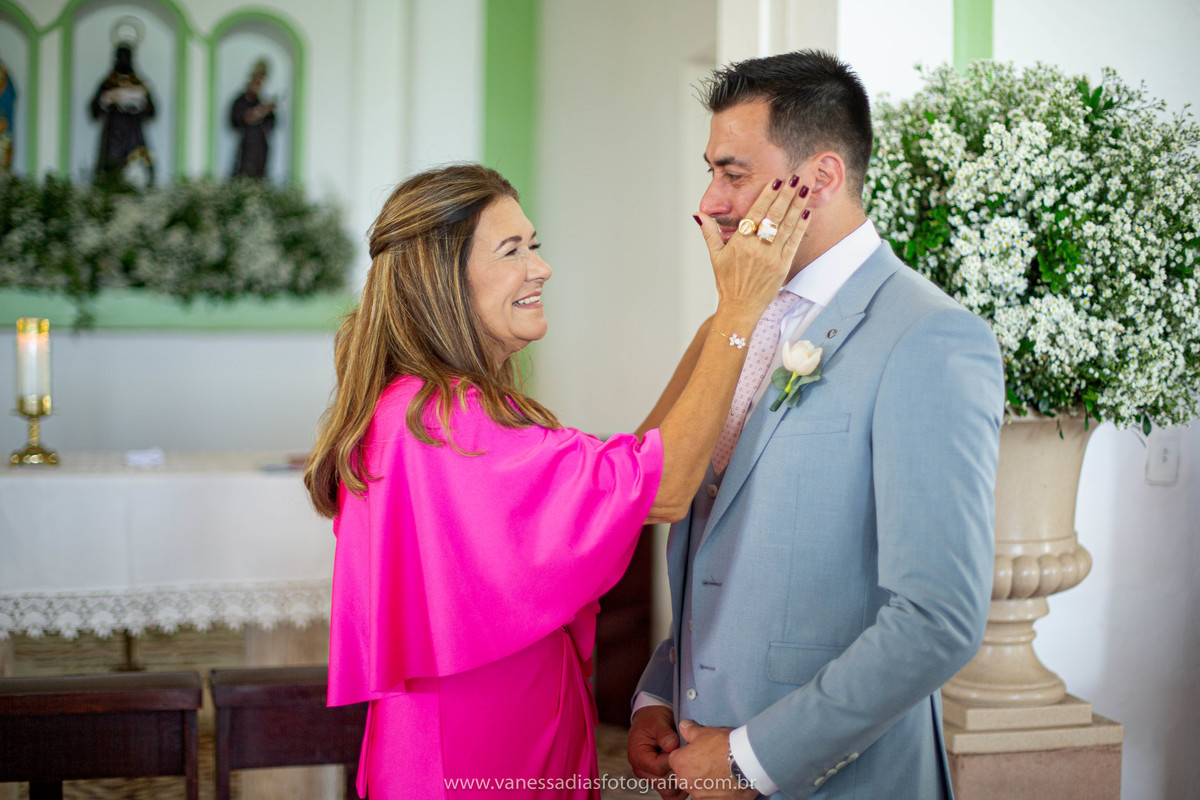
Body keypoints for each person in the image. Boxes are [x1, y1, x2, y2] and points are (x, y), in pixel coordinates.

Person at [303, 163, 812, 799]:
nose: (539, 268)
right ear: (441, 279)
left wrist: (724, 319)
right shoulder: (447, 420)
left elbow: (629, 473)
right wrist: (742, 307)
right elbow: (666, 489)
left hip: (479, 736)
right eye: (511, 250)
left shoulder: (425, 406)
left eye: (534, 245)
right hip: (476, 755)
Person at [627, 50, 1004, 800]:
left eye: (733, 173)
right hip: (689, 757)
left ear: (822, 178)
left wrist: (750, 759)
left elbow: (939, 617)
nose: (711, 200)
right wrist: (660, 692)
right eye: (712, 171)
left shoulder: (927, 337)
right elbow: (718, 547)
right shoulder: (731, 325)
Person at [90, 43, 155, 184]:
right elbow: (94, 110)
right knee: (109, 170)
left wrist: (137, 104)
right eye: (121, 57)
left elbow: (152, 112)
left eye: (127, 57)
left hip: (134, 133)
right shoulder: (108, 83)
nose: (124, 61)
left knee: (143, 168)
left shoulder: (139, 83)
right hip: (113, 135)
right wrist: (109, 100)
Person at [230, 59, 276, 178]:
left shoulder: (261, 102)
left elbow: (271, 125)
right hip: (247, 146)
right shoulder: (240, 101)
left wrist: (268, 112)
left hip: (260, 146)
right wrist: (250, 116)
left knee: (260, 175)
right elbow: (235, 121)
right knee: (243, 174)